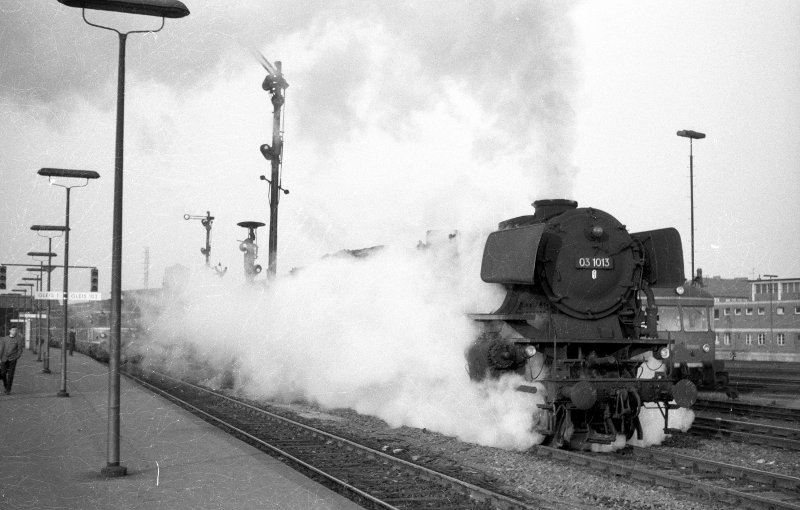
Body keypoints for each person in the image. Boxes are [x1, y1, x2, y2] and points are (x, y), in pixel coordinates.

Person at [0, 326, 25, 395]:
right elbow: (1, 348)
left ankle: (8, 389)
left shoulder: (19, 339)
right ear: (10, 331)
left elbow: (20, 349)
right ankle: (6, 386)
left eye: (16, 330)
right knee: (3, 373)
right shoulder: (5, 339)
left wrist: (17, 357)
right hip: (4, 359)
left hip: (13, 359)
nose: (15, 331)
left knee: (10, 375)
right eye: (13, 330)